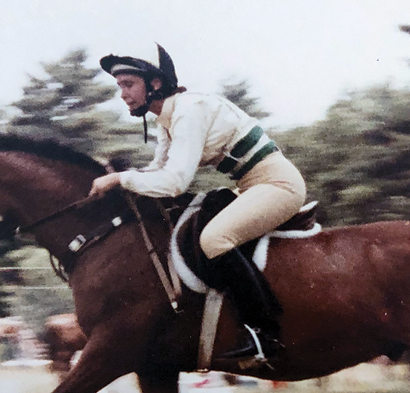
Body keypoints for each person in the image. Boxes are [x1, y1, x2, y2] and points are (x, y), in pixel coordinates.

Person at [89, 44, 307, 366]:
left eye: (128, 84)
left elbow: (175, 182)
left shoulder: (188, 112)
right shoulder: (168, 119)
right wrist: (116, 177)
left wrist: (121, 179)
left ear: (156, 83)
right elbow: (156, 171)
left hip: (277, 185)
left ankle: (264, 334)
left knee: (214, 239)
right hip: (251, 186)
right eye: (119, 85)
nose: (122, 94)